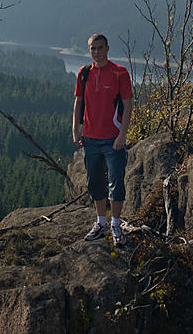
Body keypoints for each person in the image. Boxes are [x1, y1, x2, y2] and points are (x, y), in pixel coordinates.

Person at [72, 33, 133, 246]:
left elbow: (127, 105)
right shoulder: (84, 73)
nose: (96, 52)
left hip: (112, 140)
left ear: (107, 48)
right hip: (90, 138)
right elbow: (79, 102)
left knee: (116, 182)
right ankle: (101, 223)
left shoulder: (119, 73)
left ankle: (115, 225)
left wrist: (122, 135)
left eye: (100, 48)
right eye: (93, 49)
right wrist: (76, 129)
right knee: (95, 183)